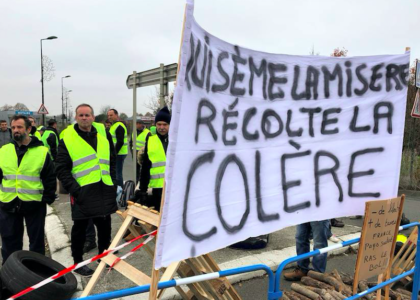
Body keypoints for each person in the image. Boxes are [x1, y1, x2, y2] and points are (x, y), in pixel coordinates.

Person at [56, 104, 117, 277]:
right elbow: (61, 169)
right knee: (80, 230)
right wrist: (76, 190)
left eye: (87, 115)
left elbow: (111, 161)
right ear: (76, 117)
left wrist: (112, 183)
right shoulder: (68, 139)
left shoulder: (103, 137)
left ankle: (103, 257)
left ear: (93, 117)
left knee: (105, 228)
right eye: (81, 115)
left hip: (104, 189)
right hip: (83, 193)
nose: (84, 118)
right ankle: (78, 262)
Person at [0, 115, 56, 264]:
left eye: (19, 127)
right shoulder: (4, 150)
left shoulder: (41, 152)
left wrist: (47, 199)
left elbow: (49, 178)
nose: (15, 130)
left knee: (36, 245)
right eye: (13, 128)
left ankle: (37, 275)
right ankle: (9, 278)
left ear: (29, 129)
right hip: (8, 204)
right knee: (9, 243)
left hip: (34, 204)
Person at [134, 107, 170, 212]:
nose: (162, 127)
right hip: (157, 190)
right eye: (159, 124)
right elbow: (146, 166)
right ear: (155, 125)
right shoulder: (151, 141)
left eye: (165, 124)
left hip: (174, 188)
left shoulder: (176, 141)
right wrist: (142, 189)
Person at [107, 109, 127, 188]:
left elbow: (120, 142)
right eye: (108, 115)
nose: (109, 117)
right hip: (117, 153)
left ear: (116, 115)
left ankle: (120, 190)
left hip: (119, 153)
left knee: (117, 173)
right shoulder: (113, 126)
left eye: (111, 115)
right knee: (115, 173)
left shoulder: (119, 126)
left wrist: (114, 153)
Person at [129, 119, 150, 184]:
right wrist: (132, 151)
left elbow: (149, 144)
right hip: (134, 152)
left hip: (143, 153)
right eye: (136, 123)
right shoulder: (134, 132)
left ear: (142, 124)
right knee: (136, 169)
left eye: (139, 123)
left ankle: (143, 182)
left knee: (144, 169)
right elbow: (131, 142)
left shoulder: (147, 132)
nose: (137, 125)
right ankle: (136, 181)